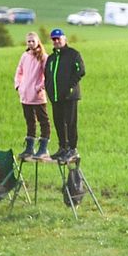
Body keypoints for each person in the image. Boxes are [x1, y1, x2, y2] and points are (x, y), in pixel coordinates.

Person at [44, 29, 85, 162]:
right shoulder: (51, 58)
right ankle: (63, 147)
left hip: (69, 96)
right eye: (54, 39)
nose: (56, 41)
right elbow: (47, 75)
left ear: (64, 39)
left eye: (58, 39)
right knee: (58, 123)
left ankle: (72, 149)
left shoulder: (73, 54)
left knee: (70, 123)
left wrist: (69, 87)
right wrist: (49, 89)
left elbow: (80, 71)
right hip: (55, 97)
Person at [14, 32, 50, 159]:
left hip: (37, 96)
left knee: (43, 121)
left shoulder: (44, 57)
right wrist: (19, 86)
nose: (30, 43)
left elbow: (47, 75)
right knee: (30, 121)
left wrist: (39, 87)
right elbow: (19, 71)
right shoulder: (24, 56)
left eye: (32, 41)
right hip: (25, 95)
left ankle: (43, 147)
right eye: (28, 41)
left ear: (38, 41)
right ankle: (29, 148)